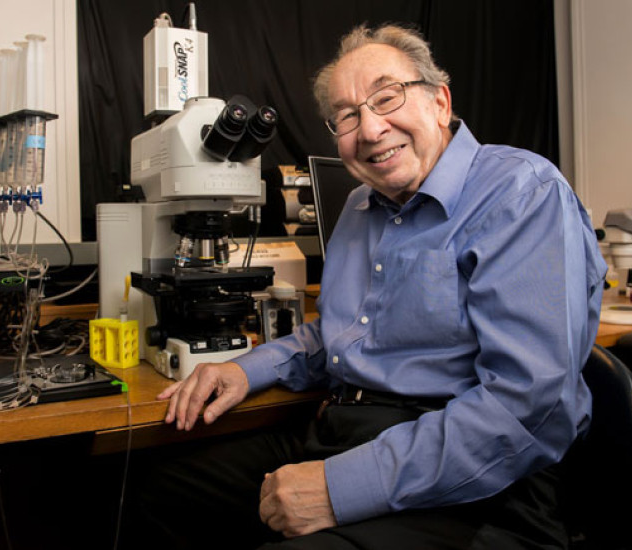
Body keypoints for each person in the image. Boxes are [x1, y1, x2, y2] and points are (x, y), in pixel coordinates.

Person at [127, 23, 607, 550]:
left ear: (440, 102)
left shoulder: (521, 193)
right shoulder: (361, 205)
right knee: (156, 495)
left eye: (387, 97)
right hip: (343, 432)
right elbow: (339, 334)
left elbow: (526, 407)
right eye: (347, 116)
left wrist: (338, 488)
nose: (371, 129)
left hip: (481, 479)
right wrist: (245, 370)